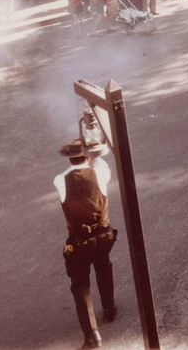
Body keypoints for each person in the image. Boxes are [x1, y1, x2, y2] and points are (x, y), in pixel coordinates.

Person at [54, 138, 117, 350]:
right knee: (103, 267)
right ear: (89, 156)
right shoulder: (101, 172)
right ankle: (110, 309)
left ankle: (92, 336)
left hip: (79, 242)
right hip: (104, 236)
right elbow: (102, 157)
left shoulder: (60, 179)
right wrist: (95, 144)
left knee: (80, 286)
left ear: (69, 158)